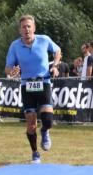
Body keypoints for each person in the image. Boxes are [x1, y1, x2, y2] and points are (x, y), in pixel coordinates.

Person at [5, 14, 61, 165]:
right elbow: (8, 68)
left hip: (44, 82)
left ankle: (45, 131)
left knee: (48, 120)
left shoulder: (44, 40)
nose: (27, 29)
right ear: (19, 30)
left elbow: (57, 51)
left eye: (29, 26)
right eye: (23, 27)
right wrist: (12, 72)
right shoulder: (15, 46)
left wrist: (55, 66)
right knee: (31, 124)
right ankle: (35, 153)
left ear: (34, 28)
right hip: (27, 86)